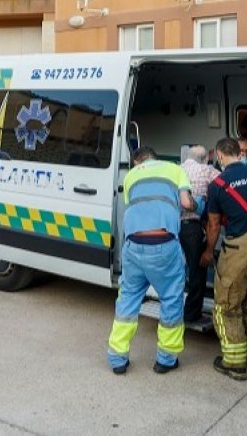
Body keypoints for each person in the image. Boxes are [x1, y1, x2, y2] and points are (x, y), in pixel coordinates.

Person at [106, 146, 195, 375]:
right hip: (164, 244)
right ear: (156, 157)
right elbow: (186, 203)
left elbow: (136, 207)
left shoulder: (131, 176)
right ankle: (165, 359)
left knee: (127, 300)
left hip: (134, 247)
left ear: (137, 161)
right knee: (171, 299)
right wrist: (197, 204)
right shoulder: (175, 169)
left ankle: (117, 358)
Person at [203, 137, 247, 381]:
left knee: (227, 307)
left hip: (238, 248)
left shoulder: (218, 184)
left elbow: (213, 225)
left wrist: (207, 251)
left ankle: (234, 363)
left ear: (221, 156)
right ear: (239, 153)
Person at [180, 144, 218, 327]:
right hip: (193, 228)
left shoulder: (178, 169)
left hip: (174, 226)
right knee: (197, 271)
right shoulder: (207, 170)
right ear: (206, 158)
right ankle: (192, 314)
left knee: (179, 271)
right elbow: (224, 184)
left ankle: (175, 309)